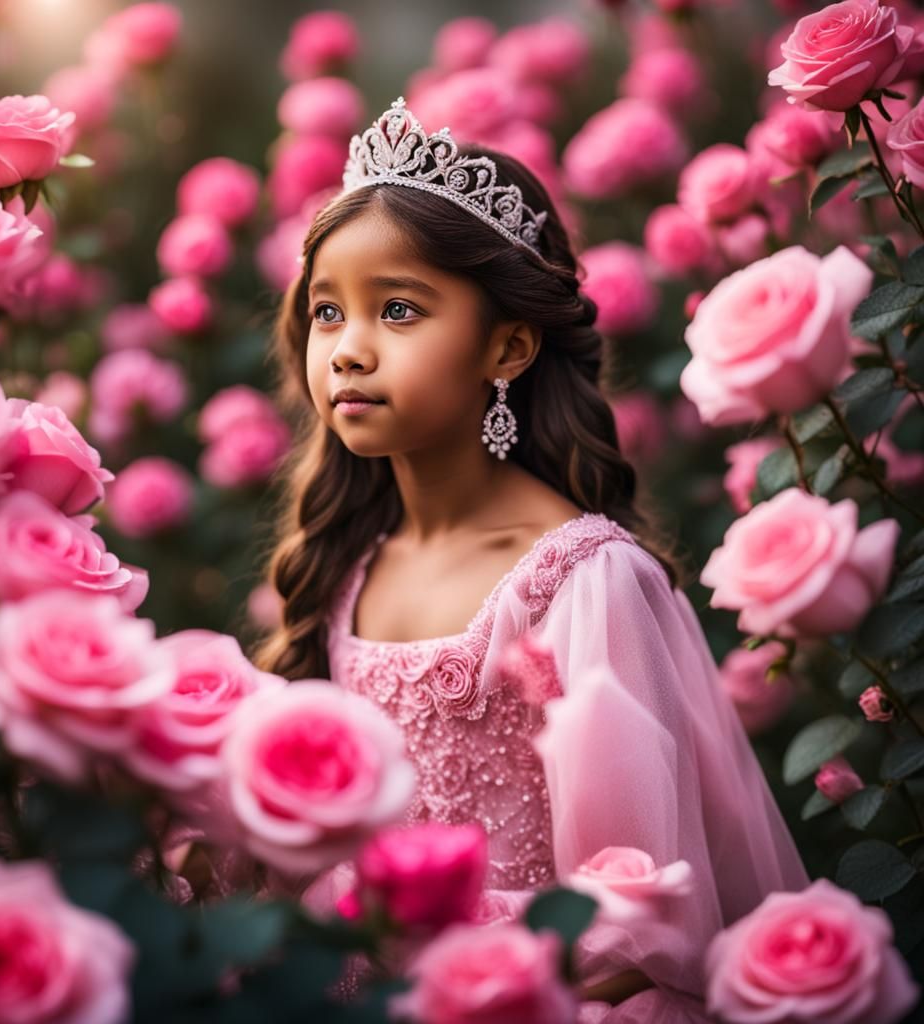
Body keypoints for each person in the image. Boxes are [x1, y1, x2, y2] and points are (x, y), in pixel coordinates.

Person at [251, 97, 809, 1021]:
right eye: (325, 313)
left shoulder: (582, 584)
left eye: (397, 310)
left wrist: (403, 932)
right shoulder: (349, 563)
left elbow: (634, 916)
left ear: (507, 345)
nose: (347, 350)